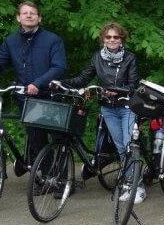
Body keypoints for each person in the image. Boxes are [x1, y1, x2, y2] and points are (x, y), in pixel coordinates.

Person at [0, 1, 67, 175]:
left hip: (51, 96)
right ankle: (46, 178)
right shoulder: (11, 41)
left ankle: (63, 180)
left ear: (39, 18)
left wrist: (37, 83)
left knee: (59, 139)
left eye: (32, 13)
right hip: (27, 99)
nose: (28, 15)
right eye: (24, 13)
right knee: (36, 140)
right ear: (18, 18)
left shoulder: (52, 40)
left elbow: (59, 67)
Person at [59, 22, 140, 195]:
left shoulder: (130, 58)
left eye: (115, 37)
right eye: (108, 37)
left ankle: (136, 186)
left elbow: (134, 85)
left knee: (128, 145)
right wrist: (61, 83)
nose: (112, 40)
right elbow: (82, 78)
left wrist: (117, 90)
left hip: (126, 106)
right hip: (107, 108)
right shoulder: (97, 57)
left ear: (121, 39)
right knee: (119, 147)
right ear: (103, 39)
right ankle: (128, 180)